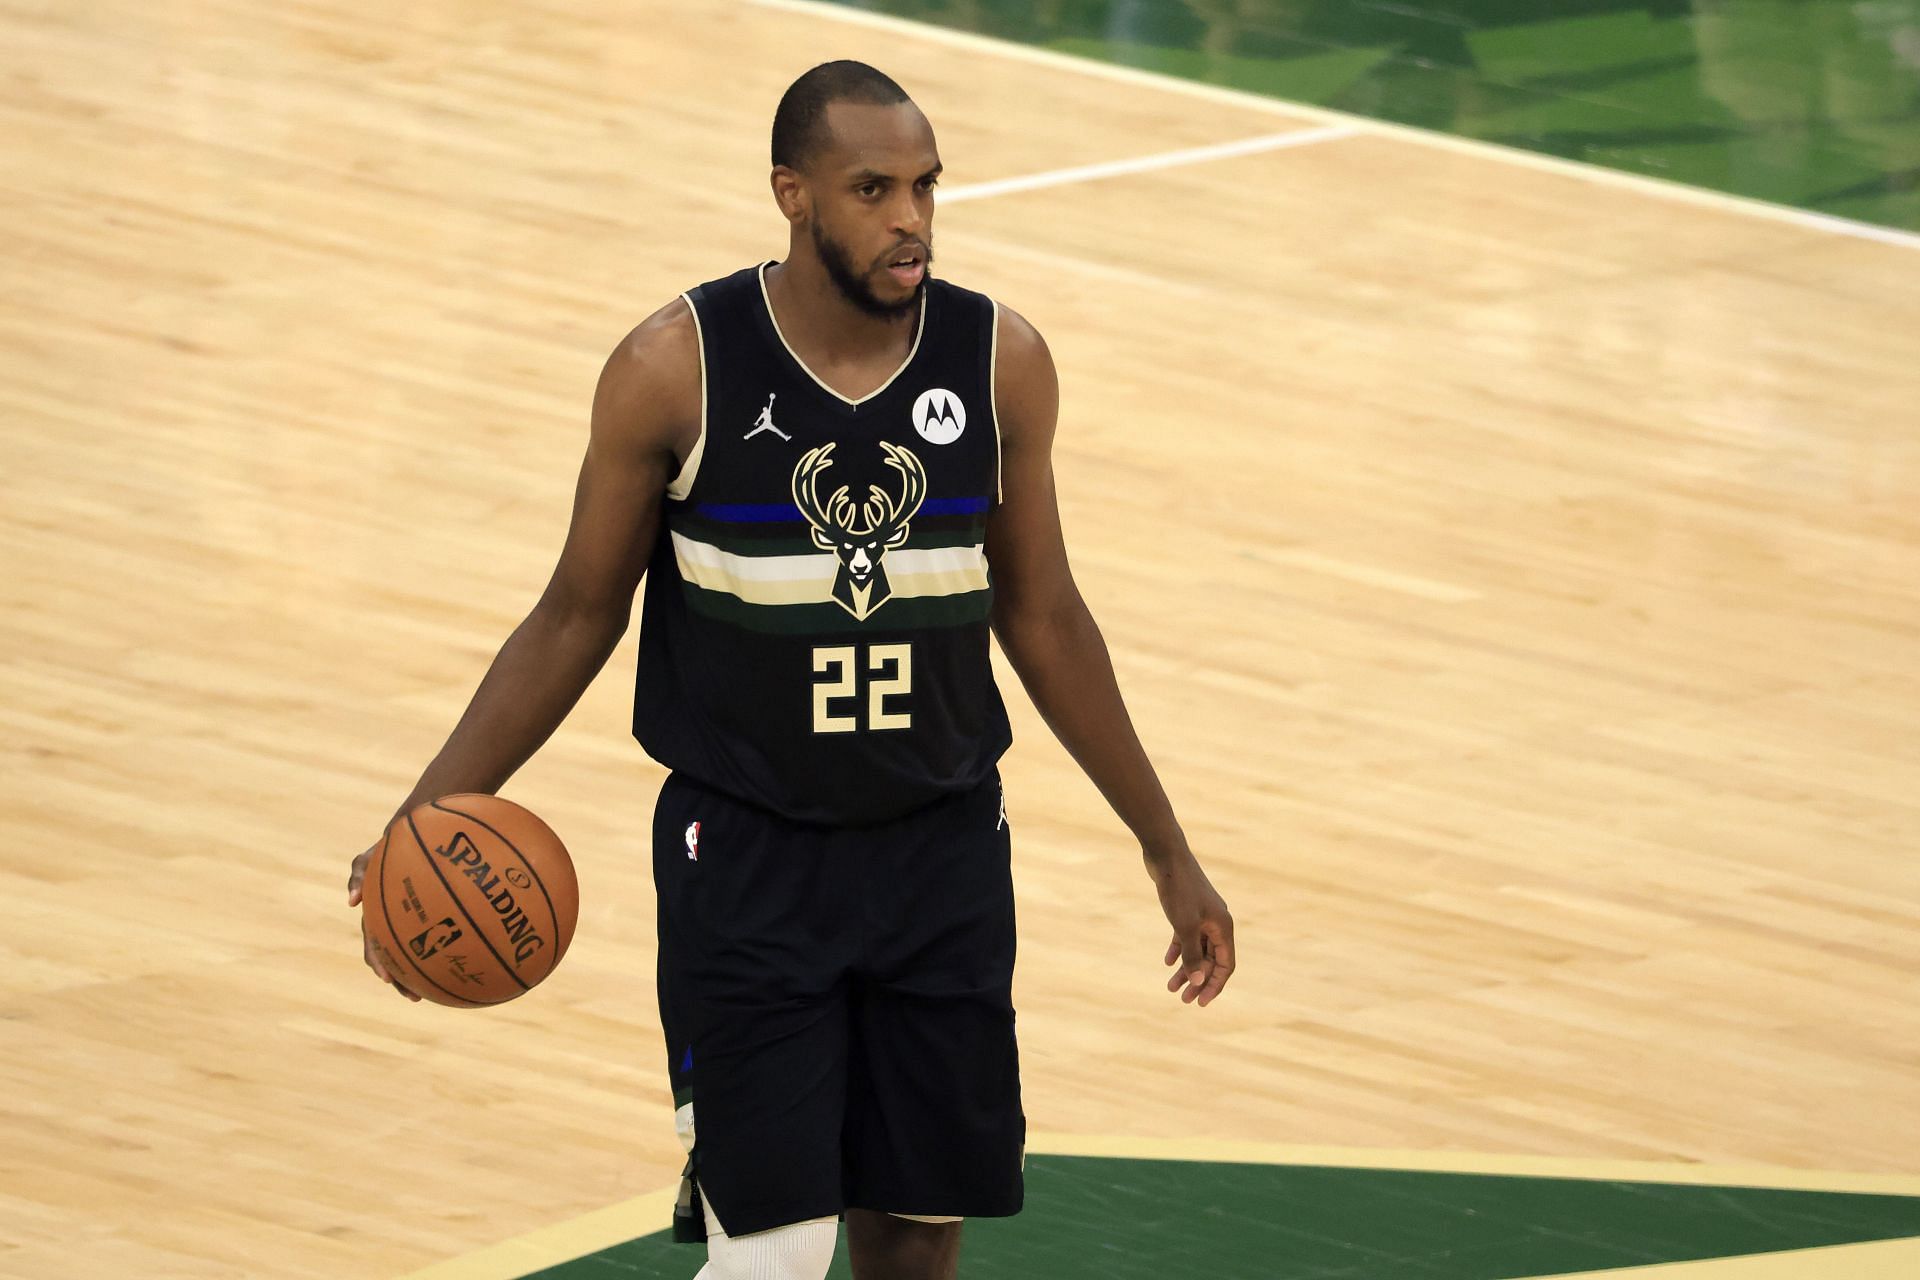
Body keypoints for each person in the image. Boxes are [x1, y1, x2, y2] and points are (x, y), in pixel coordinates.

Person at [346, 60, 1235, 1280]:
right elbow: (573, 615)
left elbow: (1046, 615)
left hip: (942, 851)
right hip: (748, 860)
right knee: (770, 1254)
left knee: (916, 1233)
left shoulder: (999, 361)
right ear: (792, 193)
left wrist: (1164, 844)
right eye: (872, 188)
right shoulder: (675, 367)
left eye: (926, 186)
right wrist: (426, 811)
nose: (910, 218)